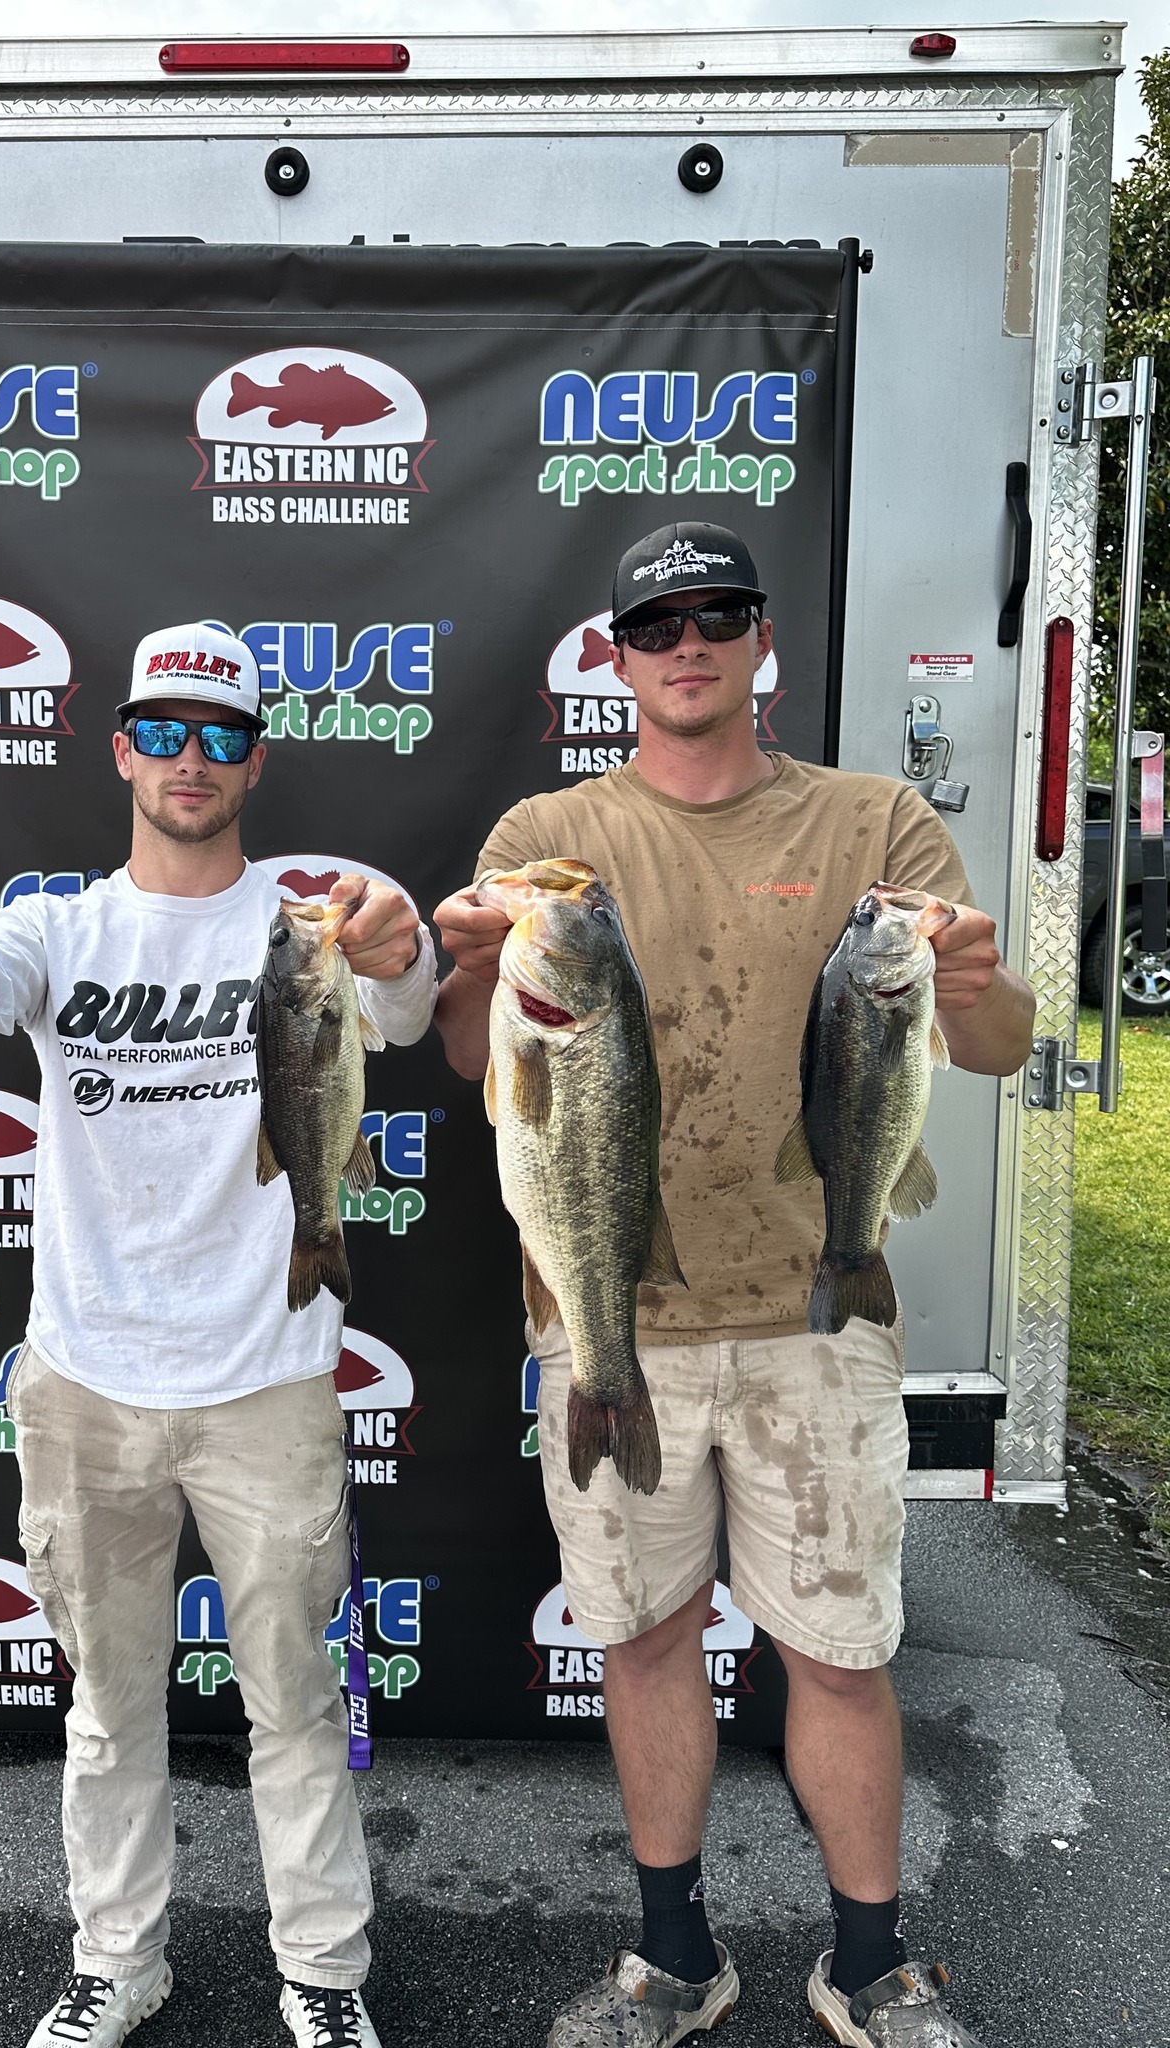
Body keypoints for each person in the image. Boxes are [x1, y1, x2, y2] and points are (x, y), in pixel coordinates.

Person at [433, 523, 1034, 2048]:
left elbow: (1002, 1041)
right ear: (617, 657)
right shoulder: (550, 833)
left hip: (813, 1324)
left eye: (718, 615)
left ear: (765, 639)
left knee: (839, 1655)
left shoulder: (874, 821)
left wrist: (971, 979)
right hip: (605, 1318)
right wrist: (468, 965)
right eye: (657, 623)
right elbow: (464, 1055)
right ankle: (671, 1955)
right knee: (645, 1641)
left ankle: (873, 1964)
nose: (687, 642)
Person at [0, 621, 436, 2048]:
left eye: (221, 734)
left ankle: (325, 1976)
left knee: (297, 1701)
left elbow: (401, 1003)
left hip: (270, 1376)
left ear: (255, 763)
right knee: (107, 1705)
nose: (190, 757)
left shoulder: (310, 914)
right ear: (122, 751)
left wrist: (397, 949)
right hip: (86, 1380)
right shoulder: (57, 932)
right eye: (165, 730)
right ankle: (118, 1959)